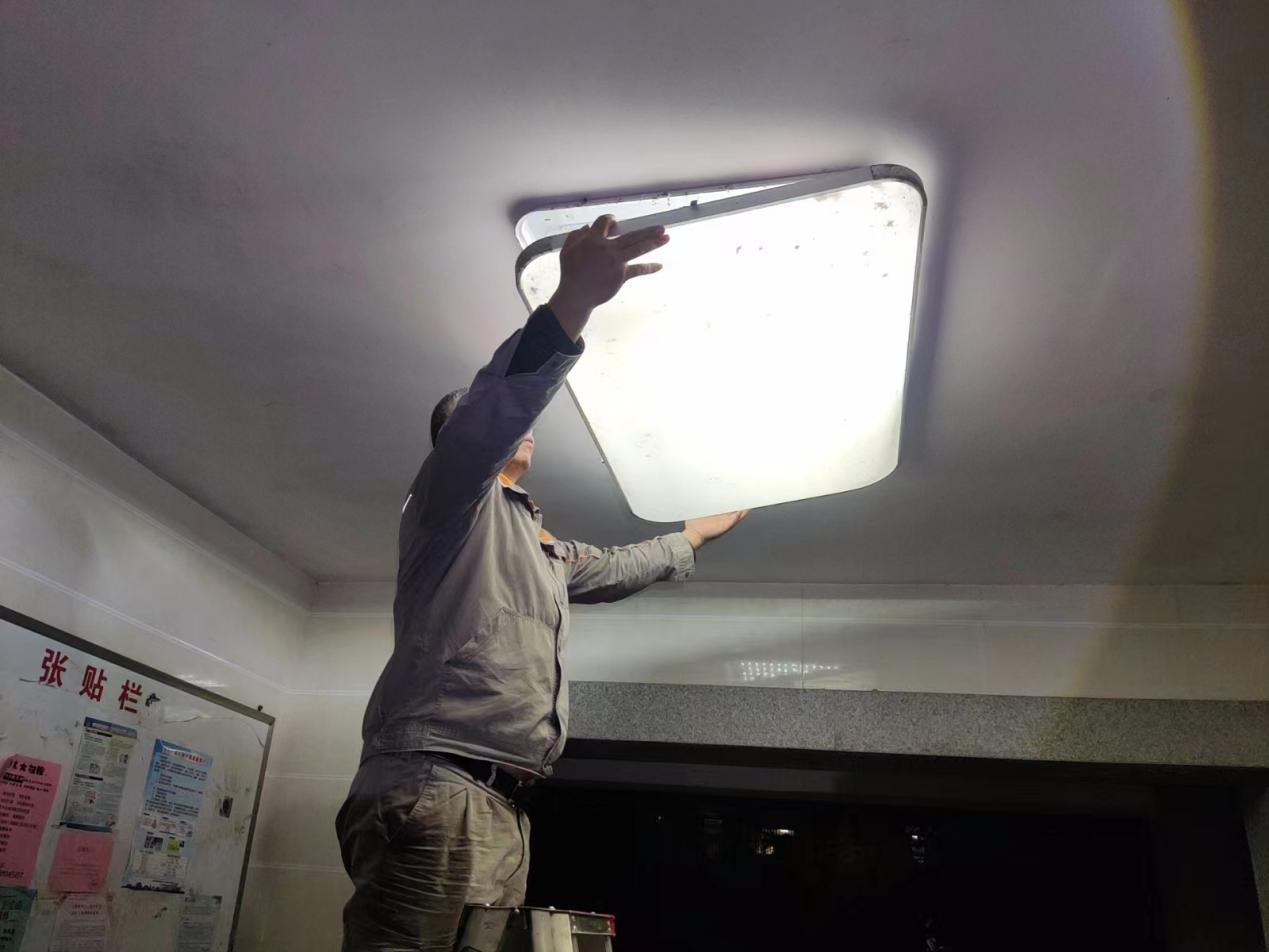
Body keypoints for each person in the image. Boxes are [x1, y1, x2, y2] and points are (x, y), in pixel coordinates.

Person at [336, 214, 747, 951]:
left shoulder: (537, 546)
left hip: (496, 798)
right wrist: (572, 304)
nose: (512, 432)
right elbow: (488, 418)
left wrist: (690, 537)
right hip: (439, 779)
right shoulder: (449, 507)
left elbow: (612, 569)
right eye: (479, 426)